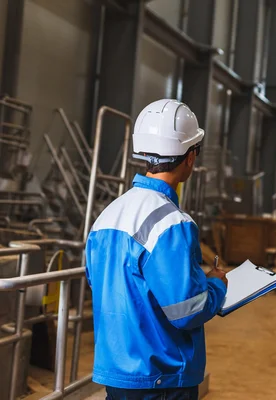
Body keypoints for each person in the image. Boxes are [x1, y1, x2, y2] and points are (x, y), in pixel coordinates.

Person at [85, 99, 228, 400]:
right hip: (161, 381)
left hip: (117, 374)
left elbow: (100, 284)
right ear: (190, 157)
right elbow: (186, 312)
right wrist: (215, 284)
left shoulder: (106, 216)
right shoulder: (172, 224)